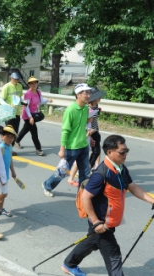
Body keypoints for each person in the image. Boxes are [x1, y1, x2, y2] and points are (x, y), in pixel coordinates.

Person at [61, 135, 154, 276]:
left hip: (109, 221)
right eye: (122, 151)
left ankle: (69, 264)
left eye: (126, 150)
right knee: (114, 255)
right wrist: (96, 222)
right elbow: (86, 197)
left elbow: (133, 187)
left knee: (92, 241)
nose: (125, 154)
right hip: (101, 223)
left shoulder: (121, 169)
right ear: (110, 152)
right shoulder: (101, 174)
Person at [42, 83, 92, 197]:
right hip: (71, 148)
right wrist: (62, 149)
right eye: (86, 93)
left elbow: (82, 127)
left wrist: (89, 137)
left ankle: (83, 195)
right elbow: (65, 131)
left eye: (89, 93)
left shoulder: (85, 109)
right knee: (62, 172)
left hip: (83, 146)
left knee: (85, 173)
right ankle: (47, 185)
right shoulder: (70, 110)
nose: (89, 95)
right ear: (78, 95)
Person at [14, 76, 53, 156]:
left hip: (33, 114)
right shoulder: (28, 94)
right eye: (31, 83)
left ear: (37, 83)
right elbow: (26, 106)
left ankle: (16, 141)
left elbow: (41, 101)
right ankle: (38, 149)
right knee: (34, 131)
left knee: (25, 129)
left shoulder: (38, 92)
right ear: (29, 85)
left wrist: (48, 100)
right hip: (27, 115)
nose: (33, 84)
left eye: (35, 83)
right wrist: (30, 117)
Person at [0, 125, 17, 217]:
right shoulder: (1, 148)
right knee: (4, 193)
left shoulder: (9, 147)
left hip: (5, 174)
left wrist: (13, 171)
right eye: (8, 136)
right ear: (2, 136)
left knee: (2, 192)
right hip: (0, 176)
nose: (10, 139)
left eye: (12, 137)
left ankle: (0, 209)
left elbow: (10, 159)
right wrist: (0, 178)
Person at [0, 71, 23, 156]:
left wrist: (24, 102)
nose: (16, 80)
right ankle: (3, 148)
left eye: (17, 79)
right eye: (14, 79)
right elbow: (1, 100)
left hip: (16, 112)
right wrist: (9, 106)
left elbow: (20, 98)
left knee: (14, 133)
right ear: (10, 77)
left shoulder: (20, 86)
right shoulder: (6, 87)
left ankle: (10, 149)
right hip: (8, 113)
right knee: (8, 132)